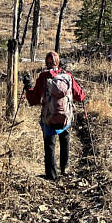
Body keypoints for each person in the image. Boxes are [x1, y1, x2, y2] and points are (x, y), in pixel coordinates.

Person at [22, 51, 86, 180]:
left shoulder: (43, 77)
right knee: (65, 138)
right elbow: (80, 96)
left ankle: (51, 175)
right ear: (58, 62)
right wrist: (82, 91)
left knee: (50, 144)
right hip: (65, 118)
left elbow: (33, 100)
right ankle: (65, 168)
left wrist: (28, 86)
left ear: (46, 63)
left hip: (49, 118)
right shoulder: (68, 76)